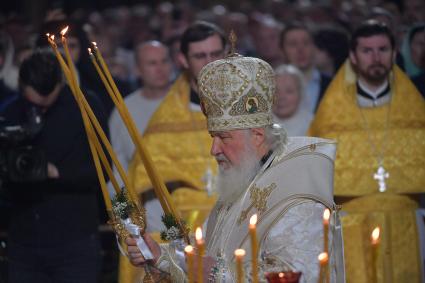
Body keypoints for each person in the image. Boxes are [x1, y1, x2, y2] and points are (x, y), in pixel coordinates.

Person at [126, 52, 345, 282]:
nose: (214, 149)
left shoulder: (297, 194)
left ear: (258, 136)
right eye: (213, 137)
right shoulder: (244, 179)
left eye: (224, 137)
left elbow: (298, 275)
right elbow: (209, 252)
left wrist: (215, 273)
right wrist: (161, 255)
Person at [308, 20, 425, 282]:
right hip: (352, 222)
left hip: (405, 220)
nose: (376, 57)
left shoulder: (414, 110)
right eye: (367, 50)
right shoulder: (332, 113)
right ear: (353, 56)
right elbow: (315, 169)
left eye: (382, 49)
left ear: (394, 54)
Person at [120, 21, 226, 283]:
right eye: (200, 56)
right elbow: (143, 193)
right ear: (182, 59)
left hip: (235, 228)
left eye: (215, 54)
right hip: (185, 237)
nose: (210, 62)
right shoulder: (163, 122)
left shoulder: (244, 107)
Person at [2, 50, 107, 282]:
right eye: (34, 104)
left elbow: (102, 172)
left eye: (48, 104)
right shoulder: (9, 113)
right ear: (21, 85)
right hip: (24, 241)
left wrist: (57, 174)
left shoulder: (86, 108)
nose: (41, 111)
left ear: (61, 83)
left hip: (75, 241)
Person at [108, 41, 172, 188]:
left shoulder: (188, 102)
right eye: (152, 63)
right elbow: (117, 164)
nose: (160, 69)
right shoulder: (124, 111)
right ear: (137, 69)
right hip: (143, 203)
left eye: (164, 61)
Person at [279, 23, 331, 113]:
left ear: (314, 47)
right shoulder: (271, 88)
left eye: (306, 43)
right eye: (293, 44)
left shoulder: (332, 85)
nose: (300, 50)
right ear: (282, 50)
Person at [272, 64, 313, 136]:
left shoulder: (313, 125)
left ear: (300, 94)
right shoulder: (257, 127)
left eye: (289, 91)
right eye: (276, 91)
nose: (281, 97)